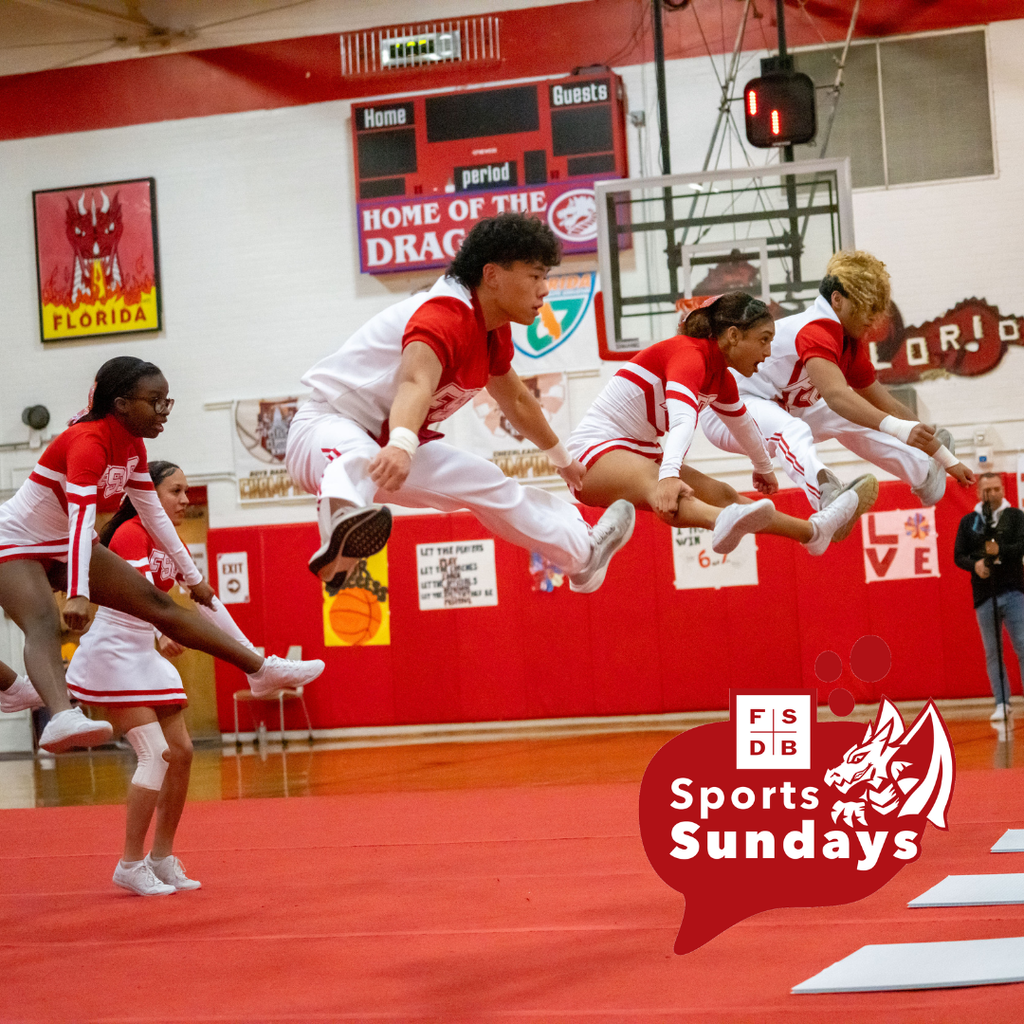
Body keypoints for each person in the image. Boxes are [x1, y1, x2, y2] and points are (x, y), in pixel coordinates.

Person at [285, 212, 634, 597]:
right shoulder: (443, 313)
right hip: (323, 429)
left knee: (487, 483)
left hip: (391, 445)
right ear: (493, 275)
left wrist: (562, 458)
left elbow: (516, 399)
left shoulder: (489, 330)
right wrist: (402, 444)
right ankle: (340, 536)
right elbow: (415, 382)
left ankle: (584, 554)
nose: (544, 290)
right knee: (356, 454)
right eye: (535, 276)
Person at [0, 357, 325, 754]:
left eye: (167, 402)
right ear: (121, 404)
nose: (164, 411)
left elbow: (155, 516)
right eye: (155, 401)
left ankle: (259, 669)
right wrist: (79, 592)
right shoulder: (87, 442)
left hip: (64, 542)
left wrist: (193, 578)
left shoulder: (132, 447)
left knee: (159, 603)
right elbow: (82, 518)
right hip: (15, 538)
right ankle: (59, 716)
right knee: (42, 620)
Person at [567, 292, 876, 554]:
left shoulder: (722, 378)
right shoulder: (688, 354)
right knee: (664, 485)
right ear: (733, 335)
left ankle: (813, 533)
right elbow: (683, 419)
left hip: (637, 449)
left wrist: (763, 468)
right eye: (764, 340)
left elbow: (743, 425)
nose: (768, 352)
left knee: (724, 494)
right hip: (591, 454)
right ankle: (720, 521)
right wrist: (670, 474)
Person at [67, 461, 254, 895]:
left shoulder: (172, 542)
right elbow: (139, 598)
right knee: (155, 753)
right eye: (176, 491)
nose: (186, 499)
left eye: (187, 491)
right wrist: (159, 630)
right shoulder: (131, 532)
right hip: (114, 652)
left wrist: (251, 655)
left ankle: (162, 856)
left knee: (183, 751)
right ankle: (130, 863)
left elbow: (193, 599)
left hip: (142, 653)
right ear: (147, 495)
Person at [699, 250, 975, 510]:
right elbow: (837, 396)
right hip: (729, 412)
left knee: (855, 415)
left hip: (782, 408)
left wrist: (945, 458)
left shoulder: (848, 345)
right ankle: (826, 495)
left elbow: (888, 405)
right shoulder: (815, 330)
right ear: (837, 300)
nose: (872, 317)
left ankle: (923, 473)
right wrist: (900, 430)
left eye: (877, 309)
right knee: (800, 424)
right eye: (866, 307)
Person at [953, 472, 1024, 723]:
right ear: (978, 492)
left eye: (996, 489)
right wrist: (976, 565)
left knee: (1022, 645)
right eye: (986, 490)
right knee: (993, 651)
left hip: (1014, 591)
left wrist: (1001, 550)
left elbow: (1021, 546)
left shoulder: (1016, 517)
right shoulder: (969, 521)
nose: (991, 494)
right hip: (985, 595)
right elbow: (958, 555)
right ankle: (1002, 702)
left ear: (1003, 489)